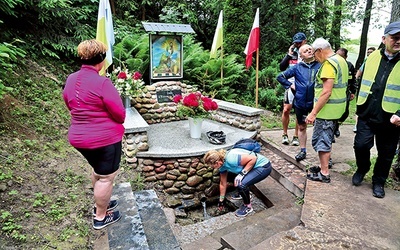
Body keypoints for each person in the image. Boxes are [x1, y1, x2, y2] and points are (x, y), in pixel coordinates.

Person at [62, 39, 126, 229]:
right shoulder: (102, 82)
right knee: (106, 177)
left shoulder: (71, 79)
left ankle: (101, 203)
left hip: (78, 138)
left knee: (98, 171)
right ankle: (100, 217)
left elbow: (69, 102)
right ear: (101, 59)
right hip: (104, 139)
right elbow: (120, 114)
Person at [352, 21, 400, 198]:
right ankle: (362, 168)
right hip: (367, 114)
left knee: (386, 154)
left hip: (391, 118)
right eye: (395, 37)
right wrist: (359, 107)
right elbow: (363, 83)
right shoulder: (371, 57)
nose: (398, 41)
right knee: (360, 145)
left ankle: (378, 181)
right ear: (384, 38)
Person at [305, 38, 348, 183]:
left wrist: (313, 113)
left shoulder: (328, 65)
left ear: (319, 51)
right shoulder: (340, 60)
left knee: (322, 140)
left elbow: (326, 92)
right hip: (337, 109)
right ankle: (322, 165)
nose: (315, 59)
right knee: (327, 137)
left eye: (314, 55)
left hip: (327, 110)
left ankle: (324, 173)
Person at [277, 44, 321, 162]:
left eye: (310, 49)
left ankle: (324, 154)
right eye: (305, 51)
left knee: (320, 128)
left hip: (316, 103)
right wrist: (290, 85)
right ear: (301, 56)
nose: (309, 51)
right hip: (300, 102)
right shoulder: (297, 67)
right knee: (302, 126)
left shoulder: (321, 66)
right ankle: (303, 150)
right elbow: (280, 76)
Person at [203, 147, 272, 217]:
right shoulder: (222, 165)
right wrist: (221, 200)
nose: (213, 168)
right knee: (232, 177)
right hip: (251, 167)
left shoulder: (231, 159)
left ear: (217, 162)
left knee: (241, 184)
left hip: (263, 167)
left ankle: (247, 206)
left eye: (212, 166)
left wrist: (242, 174)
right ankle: (243, 193)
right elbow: (223, 183)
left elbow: (253, 158)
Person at [279, 32, 307, 146]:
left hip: (302, 87)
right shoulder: (293, 54)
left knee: (299, 112)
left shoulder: (308, 54)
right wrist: (289, 54)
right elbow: (281, 67)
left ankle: (296, 135)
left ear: (305, 41)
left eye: (300, 42)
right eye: (296, 43)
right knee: (286, 109)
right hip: (290, 85)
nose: (298, 45)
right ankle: (285, 134)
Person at [333, 48, 356, 139]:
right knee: (334, 112)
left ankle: (337, 126)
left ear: (346, 57)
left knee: (344, 113)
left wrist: (353, 92)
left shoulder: (349, 66)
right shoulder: (332, 64)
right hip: (334, 92)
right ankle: (332, 131)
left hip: (345, 92)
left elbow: (353, 79)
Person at [353, 47, 376, 132]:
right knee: (360, 106)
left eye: (371, 52)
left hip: (374, 90)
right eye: (368, 52)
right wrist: (355, 81)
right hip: (363, 89)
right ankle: (357, 125)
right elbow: (359, 71)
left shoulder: (378, 62)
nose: (369, 54)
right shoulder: (366, 61)